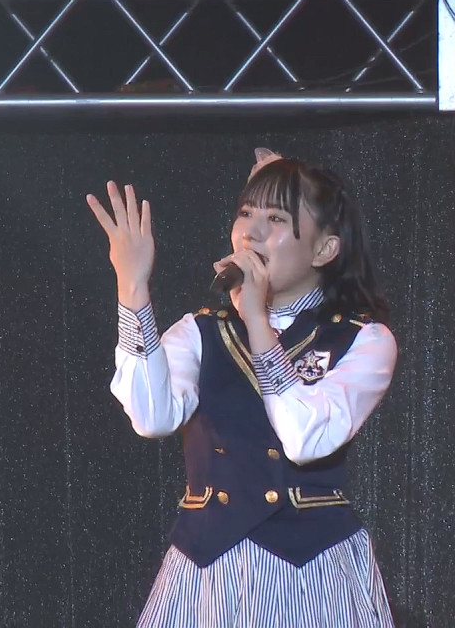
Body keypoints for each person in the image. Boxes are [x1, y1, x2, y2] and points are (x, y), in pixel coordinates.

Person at [86, 151, 397, 627]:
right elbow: (152, 417)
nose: (251, 232)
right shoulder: (201, 330)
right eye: (246, 213)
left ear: (324, 249)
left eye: (276, 218)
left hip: (312, 574)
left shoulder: (364, 340)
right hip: (205, 575)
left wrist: (256, 319)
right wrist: (133, 288)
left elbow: (304, 438)